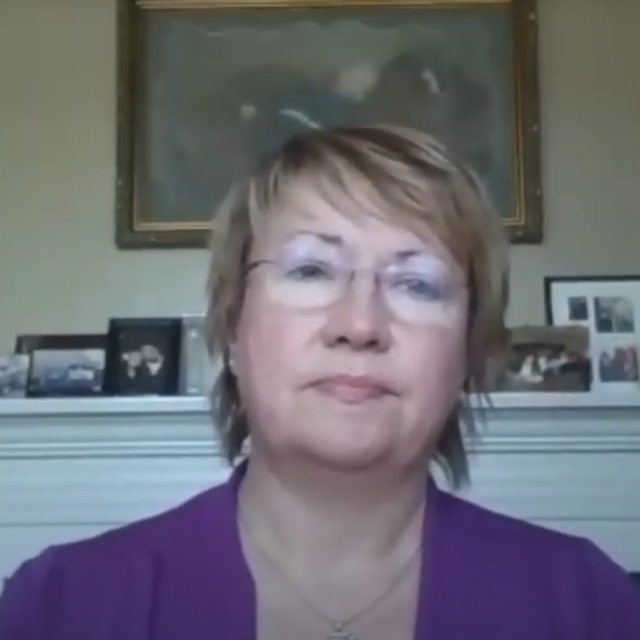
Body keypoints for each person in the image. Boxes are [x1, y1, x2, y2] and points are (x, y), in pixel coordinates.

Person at [1, 125, 639, 639]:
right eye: (310, 271)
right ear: (232, 326)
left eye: (418, 284)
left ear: (468, 352)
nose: (359, 325)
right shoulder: (60, 605)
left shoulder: (588, 604)